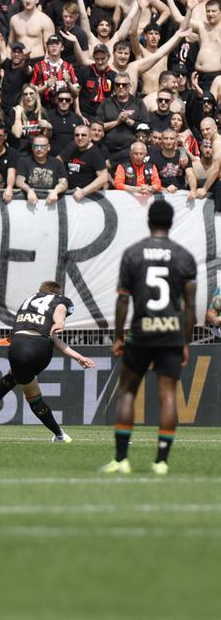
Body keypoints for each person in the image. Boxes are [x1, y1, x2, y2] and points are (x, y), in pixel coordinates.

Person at [101, 200, 197, 476]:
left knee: (128, 392)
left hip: (142, 331)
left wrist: (119, 336)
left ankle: (121, 459)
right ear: (171, 222)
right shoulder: (184, 256)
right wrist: (186, 342)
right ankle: (161, 462)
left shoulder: (133, 253)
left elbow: (123, 301)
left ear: (149, 221)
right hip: (171, 332)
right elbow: (189, 307)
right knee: (168, 396)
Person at [0, 280, 96, 442]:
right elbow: (59, 311)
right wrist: (61, 323)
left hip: (17, 346)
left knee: (26, 386)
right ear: (57, 293)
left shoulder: (27, 301)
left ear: (41, 292)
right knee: (21, 382)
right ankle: (59, 435)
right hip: (41, 348)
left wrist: (76, 353)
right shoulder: (59, 300)